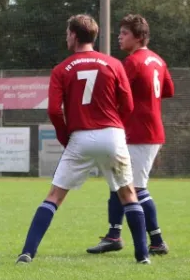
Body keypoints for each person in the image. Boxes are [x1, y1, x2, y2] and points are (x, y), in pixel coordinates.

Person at [16, 14, 150, 264]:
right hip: (112, 134)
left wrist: (65, 136)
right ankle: (143, 255)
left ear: (75, 35)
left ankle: (27, 252)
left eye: (68, 33)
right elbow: (128, 104)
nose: (66, 37)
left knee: (54, 196)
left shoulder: (61, 69)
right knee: (128, 194)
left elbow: (55, 111)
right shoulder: (114, 64)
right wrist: (114, 126)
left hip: (80, 136)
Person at [87, 14, 174, 256]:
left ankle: (156, 241)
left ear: (138, 37)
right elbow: (168, 90)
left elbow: (114, 92)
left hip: (139, 132)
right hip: (148, 129)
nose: (119, 36)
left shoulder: (133, 62)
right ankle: (114, 235)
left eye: (125, 33)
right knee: (118, 184)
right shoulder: (158, 60)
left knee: (135, 187)